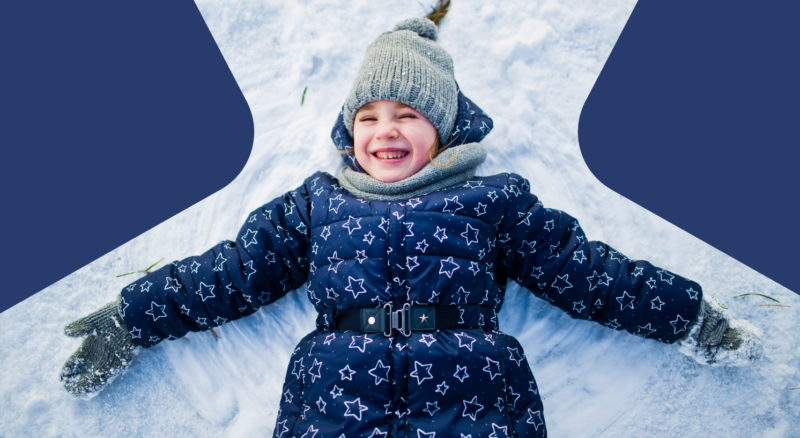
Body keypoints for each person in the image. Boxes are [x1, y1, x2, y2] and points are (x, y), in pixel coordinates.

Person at [60, 17, 763, 438]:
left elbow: (589, 273)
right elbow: (230, 273)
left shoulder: (492, 201)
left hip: (471, 390)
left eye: (407, 115)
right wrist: (133, 317)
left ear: (443, 128)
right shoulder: (316, 203)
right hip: (335, 394)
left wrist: (690, 317)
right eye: (368, 118)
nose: (385, 131)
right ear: (348, 133)